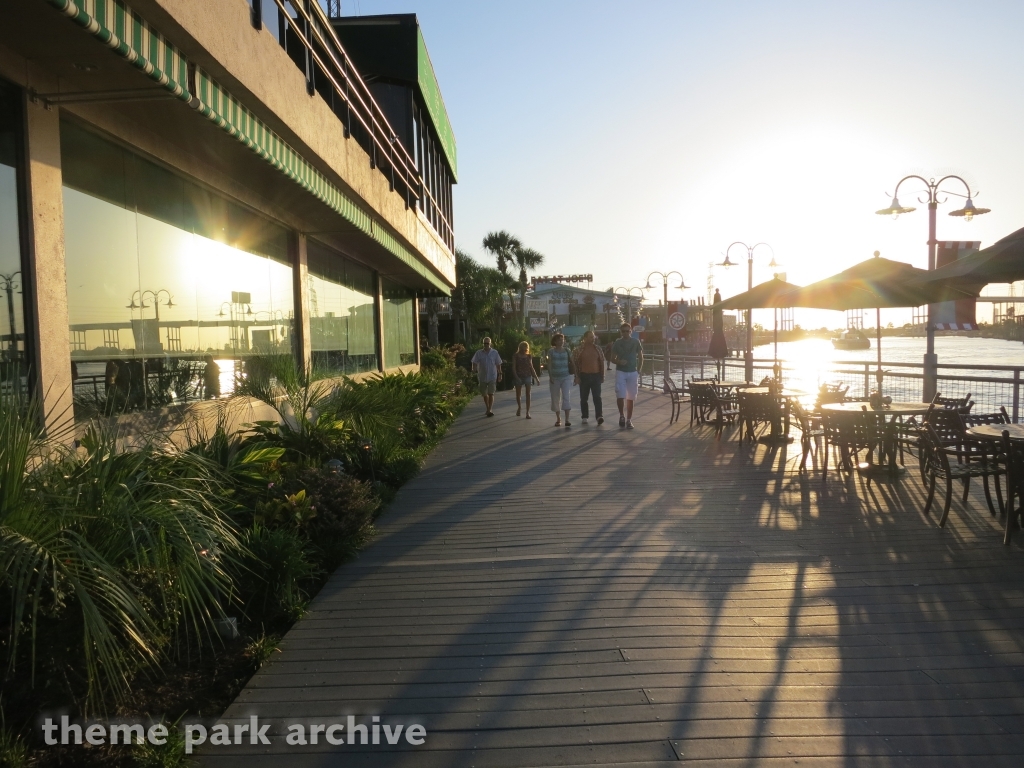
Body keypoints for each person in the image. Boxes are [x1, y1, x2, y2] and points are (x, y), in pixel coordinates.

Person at [610, 322, 643, 429]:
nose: (625, 333)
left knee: (631, 396)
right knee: (620, 394)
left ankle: (629, 419)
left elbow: (641, 357)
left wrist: (638, 370)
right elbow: (612, 358)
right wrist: (619, 361)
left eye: (627, 331)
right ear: (621, 332)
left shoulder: (635, 342)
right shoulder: (617, 343)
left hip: (633, 372)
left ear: (630, 332)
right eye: (623, 331)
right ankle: (621, 416)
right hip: (621, 372)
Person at [572, 330, 606, 424]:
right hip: (584, 376)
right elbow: (574, 363)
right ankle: (585, 416)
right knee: (584, 398)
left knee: (597, 397)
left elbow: (602, 362)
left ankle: (599, 416)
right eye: (590, 337)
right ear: (585, 338)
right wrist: (577, 376)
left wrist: (602, 375)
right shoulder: (579, 349)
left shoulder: (598, 349)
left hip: (596, 376)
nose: (593, 339)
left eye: (593, 337)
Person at [544, 333, 574, 427]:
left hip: (565, 376)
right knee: (555, 398)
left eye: (563, 339)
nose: (562, 341)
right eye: (559, 340)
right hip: (555, 377)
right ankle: (558, 418)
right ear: (555, 341)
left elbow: (573, 362)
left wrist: (576, 375)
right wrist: (550, 376)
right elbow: (549, 364)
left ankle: (567, 419)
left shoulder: (567, 350)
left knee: (566, 396)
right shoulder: (551, 351)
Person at [471, 337, 502, 417]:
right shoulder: (479, 353)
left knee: (491, 393)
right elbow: (474, 361)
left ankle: (490, 409)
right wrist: (473, 369)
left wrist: (500, 374)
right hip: (482, 376)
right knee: (484, 394)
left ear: (490, 344)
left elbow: (498, 364)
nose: (486, 345)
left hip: (492, 375)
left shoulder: (495, 353)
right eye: (484, 343)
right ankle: (487, 407)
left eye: (487, 343)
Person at [512, 341, 540, 418]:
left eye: (525, 350)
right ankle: (519, 407)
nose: (524, 351)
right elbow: (513, 368)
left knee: (528, 394)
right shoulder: (516, 356)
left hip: (528, 375)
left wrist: (536, 378)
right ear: (520, 348)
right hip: (519, 375)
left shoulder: (529, 356)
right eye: (522, 350)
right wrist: (516, 377)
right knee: (518, 394)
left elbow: (531, 367)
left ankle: (528, 412)